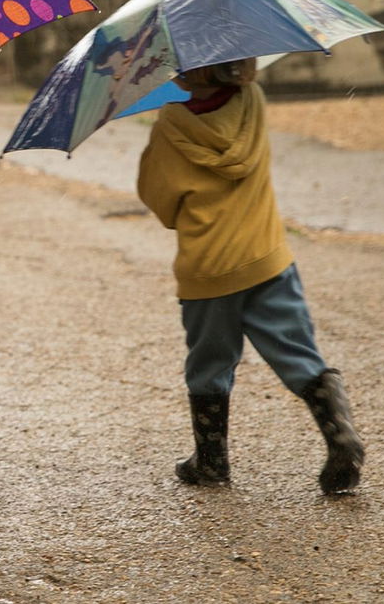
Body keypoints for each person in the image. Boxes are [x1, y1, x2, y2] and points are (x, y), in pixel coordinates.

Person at [137, 58, 365, 494]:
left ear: (182, 71)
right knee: (297, 352)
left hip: (209, 269)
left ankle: (211, 461)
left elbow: (159, 198)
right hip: (266, 255)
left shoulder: (171, 122)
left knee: (210, 362)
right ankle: (340, 433)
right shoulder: (252, 101)